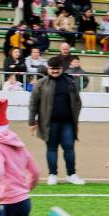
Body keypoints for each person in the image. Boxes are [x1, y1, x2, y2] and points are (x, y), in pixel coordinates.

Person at [28, 57, 84, 186]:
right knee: (51, 149)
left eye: (57, 69)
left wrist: (75, 118)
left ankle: (71, 174)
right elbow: (33, 104)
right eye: (52, 69)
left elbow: (78, 102)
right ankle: (52, 174)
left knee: (69, 148)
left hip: (67, 123)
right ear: (48, 69)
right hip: (49, 124)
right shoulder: (41, 84)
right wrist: (31, 122)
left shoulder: (70, 82)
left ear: (62, 68)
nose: (54, 71)